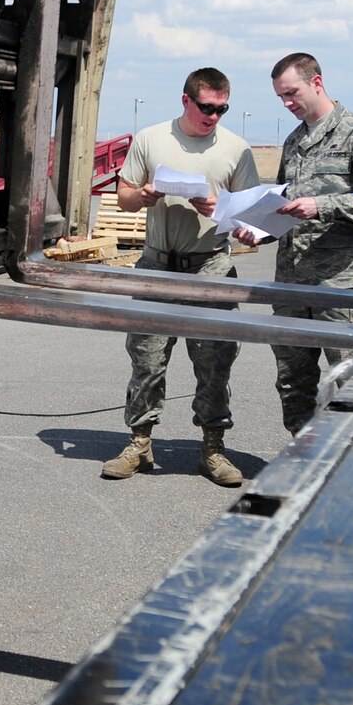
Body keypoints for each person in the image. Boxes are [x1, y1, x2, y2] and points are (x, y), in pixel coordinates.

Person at [103, 68, 261, 487]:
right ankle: (139, 442)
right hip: (157, 265)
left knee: (214, 364)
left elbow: (250, 216)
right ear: (186, 100)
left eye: (222, 109)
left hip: (210, 267)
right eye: (207, 107)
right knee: (147, 360)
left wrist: (221, 209)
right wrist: (143, 196)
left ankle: (212, 448)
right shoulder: (152, 139)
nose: (214, 116)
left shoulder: (236, 149)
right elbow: (124, 198)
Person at [259, 52, 353, 434]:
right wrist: (259, 228)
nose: (287, 103)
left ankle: (351, 468)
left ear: (317, 82)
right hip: (292, 285)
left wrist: (323, 206)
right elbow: (286, 207)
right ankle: (300, 460)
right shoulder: (294, 140)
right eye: (281, 98)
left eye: (292, 93)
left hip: (341, 285)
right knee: (293, 382)